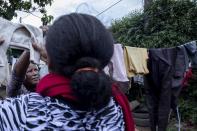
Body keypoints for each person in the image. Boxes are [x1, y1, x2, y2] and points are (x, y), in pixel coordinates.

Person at [0, 13, 135, 130]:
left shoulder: (23, 112)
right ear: (106, 56)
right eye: (31, 71)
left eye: (36, 69)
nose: (35, 73)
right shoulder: (116, 107)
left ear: (49, 62)